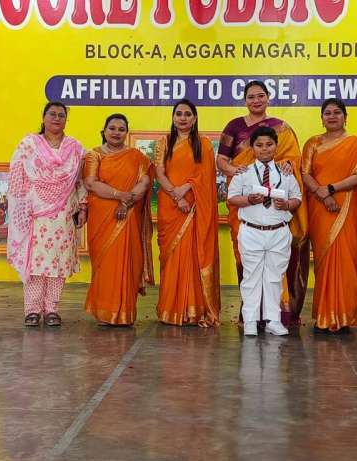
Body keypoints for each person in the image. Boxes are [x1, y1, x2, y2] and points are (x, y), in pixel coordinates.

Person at [216, 79, 308, 326]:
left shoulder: (281, 128)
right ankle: (250, 312)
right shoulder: (234, 126)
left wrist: (288, 165)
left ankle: (279, 312)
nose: (256, 101)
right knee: (246, 257)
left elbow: (292, 160)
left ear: (268, 97)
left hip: (275, 205)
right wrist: (238, 172)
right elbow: (221, 160)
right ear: (245, 100)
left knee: (275, 259)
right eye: (251, 97)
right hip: (244, 201)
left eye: (260, 96)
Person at [7, 102, 87, 328]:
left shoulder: (75, 148)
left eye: (62, 115)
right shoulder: (28, 145)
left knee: (58, 263)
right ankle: (32, 310)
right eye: (52, 114)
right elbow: (17, 176)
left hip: (63, 214)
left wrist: (83, 206)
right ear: (43, 117)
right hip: (35, 213)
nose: (57, 118)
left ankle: (52, 309)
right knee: (35, 263)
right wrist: (23, 207)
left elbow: (80, 181)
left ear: (66, 120)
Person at [301, 98, 357, 333]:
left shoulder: (356, 144)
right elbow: (305, 173)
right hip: (320, 208)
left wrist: (330, 189)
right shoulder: (313, 143)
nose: (332, 116)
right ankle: (324, 316)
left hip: (346, 207)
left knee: (346, 260)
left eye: (337, 112)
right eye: (327, 113)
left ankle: (344, 317)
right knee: (323, 260)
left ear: (345, 117)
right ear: (321, 118)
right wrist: (322, 194)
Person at [227, 126, 302, 337]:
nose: (264, 148)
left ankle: (273, 320)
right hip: (251, 231)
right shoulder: (243, 172)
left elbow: (297, 198)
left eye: (269, 144)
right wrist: (249, 199)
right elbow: (232, 198)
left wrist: (287, 205)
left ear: (276, 146)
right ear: (252, 148)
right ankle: (250, 321)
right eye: (259, 145)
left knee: (274, 277)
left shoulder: (286, 173)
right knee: (251, 277)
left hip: (279, 232)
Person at [83, 114, 155, 326]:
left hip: (129, 215)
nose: (116, 132)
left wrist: (126, 202)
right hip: (102, 218)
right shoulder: (94, 155)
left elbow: (145, 182)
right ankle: (105, 313)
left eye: (121, 129)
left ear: (126, 133)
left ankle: (124, 314)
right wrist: (119, 195)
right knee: (105, 265)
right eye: (112, 128)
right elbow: (91, 183)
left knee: (128, 263)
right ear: (104, 131)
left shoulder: (136, 156)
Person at [155, 99, 221, 327]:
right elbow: (159, 173)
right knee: (172, 257)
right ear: (173, 118)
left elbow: (206, 176)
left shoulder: (204, 144)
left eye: (187, 114)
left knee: (194, 256)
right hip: (171, 206)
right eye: (179, 114)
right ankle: (170, 310)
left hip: (195, 207)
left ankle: (194, 310)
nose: (183, 118)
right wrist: (177, 195)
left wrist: (187, 188)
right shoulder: (164, 142)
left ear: (194, 118)